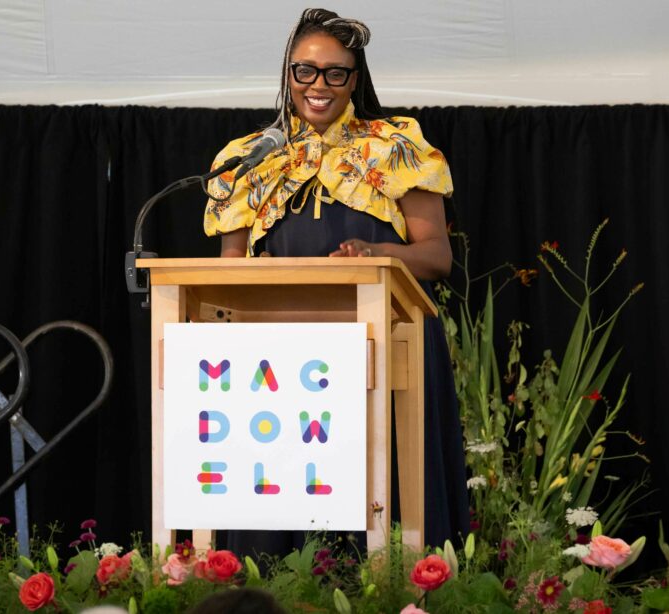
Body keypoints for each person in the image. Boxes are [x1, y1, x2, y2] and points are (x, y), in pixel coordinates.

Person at [203, 8, 469, 554]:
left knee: (379, 504)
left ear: (356, 78)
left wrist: (378, 255)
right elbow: (225, 276)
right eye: (305, 70)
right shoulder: (248, 158)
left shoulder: (396, 146)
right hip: (274, 364)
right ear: (287, 73)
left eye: (335, 73)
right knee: (276, 517)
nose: (317, 85)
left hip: (383, 348)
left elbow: (437, 257)